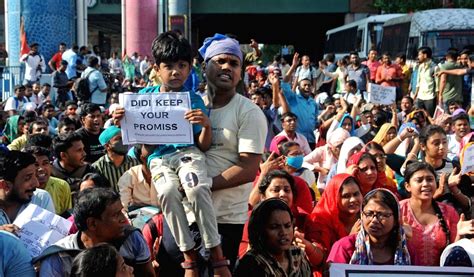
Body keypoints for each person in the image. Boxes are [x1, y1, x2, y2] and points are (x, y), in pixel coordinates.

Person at [39, 188, 154, 276]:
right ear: (92, 223)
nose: (124, 219)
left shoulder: (132, 238)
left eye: (121, 212)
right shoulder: (59, 257)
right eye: (116, 214)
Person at [327, 189, 411, 266]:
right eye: (369, 214)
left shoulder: (407, 250)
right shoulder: (345, 247)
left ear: (396, 220)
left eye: (382, 215)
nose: (374, 220)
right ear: (361, 215)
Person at [400, 161, 459, 266]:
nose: (426, 184)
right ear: (407, 186)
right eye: (419, 180)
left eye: (430, 179)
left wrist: (460, 234)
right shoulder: (398, 210)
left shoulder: (449, 212)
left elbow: (454, 251)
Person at [234, 198, 312, 277]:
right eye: (274, 227)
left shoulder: (297, 255)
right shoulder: (251, 263)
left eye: (287, 226)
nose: (283, 232)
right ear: (260, 230)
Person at [311, 173, 363, 272]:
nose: (353, 200)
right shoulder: (320, 221)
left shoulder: (366, 217)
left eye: (356, 194)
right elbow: (323, 263)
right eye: (346, 196)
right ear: (334, 197)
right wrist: (349, 240)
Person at [0, 150, 55, 227]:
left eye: (35, 175)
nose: (36, 183)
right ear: (5, 185)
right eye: (28, 178)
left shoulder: (41, 199)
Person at [23, 146, 72, 217]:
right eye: (36, 165)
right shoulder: (20, 189)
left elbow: (68, 218)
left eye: (45, 163)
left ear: (51, 165)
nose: (41, 169)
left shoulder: (62, 185)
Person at [92, 126, 139, 192]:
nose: (123, 141)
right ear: (107, 146)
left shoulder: (136, 163)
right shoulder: (98, 167)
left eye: (124, 138)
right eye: (118, 139)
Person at [304, 128, 350, 192]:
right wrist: (319, 169)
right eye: (338, 146)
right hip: (324, 189)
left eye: (343, 146)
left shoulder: (349, 152)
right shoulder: (322, 151)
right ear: (331, 145)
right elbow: (302, 162)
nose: (340, 149)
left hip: (344, 187)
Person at [118, 144, 158, 210]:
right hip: (141, 218)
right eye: (154, 156)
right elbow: (124, 207)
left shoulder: (167, 172)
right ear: (143, 159)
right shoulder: (129, 177)